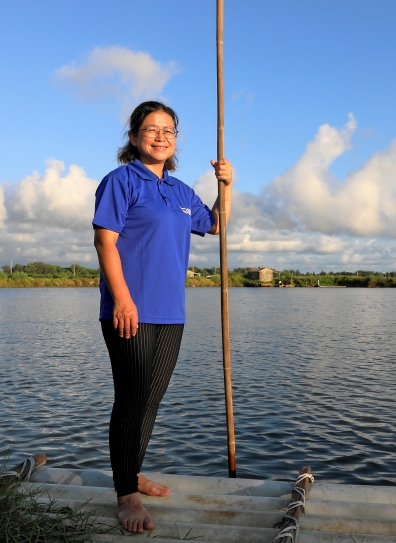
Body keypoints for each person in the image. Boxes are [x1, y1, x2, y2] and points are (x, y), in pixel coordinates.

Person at [92, 100, 233, 533]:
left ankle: (131, 472)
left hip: (171, 311)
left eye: (169, 130)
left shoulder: (180, 192)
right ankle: (126, 496)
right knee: (131, 400)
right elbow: (104, 241)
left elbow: (216, 226)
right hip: (129, 309)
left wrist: (225, 186)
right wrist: (122, 299)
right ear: (133, 137)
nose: (161, 136)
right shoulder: (121, 181)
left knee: (150, 399)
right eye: (151, 129)